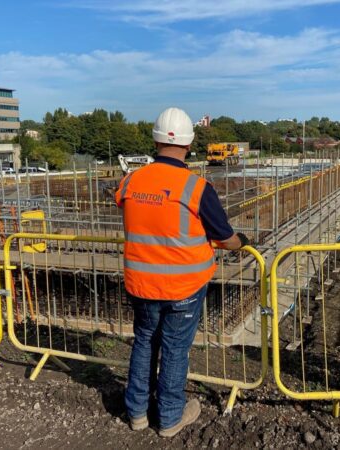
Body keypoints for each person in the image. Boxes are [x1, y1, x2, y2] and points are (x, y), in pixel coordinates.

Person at [115, 107, 248, 437]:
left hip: (142, 283)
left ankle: (137, 413)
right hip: (183, 288)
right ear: (188, 144)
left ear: (155, 140)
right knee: (174, 350)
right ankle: (170, 417)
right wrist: (242, 241)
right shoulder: (196, 187)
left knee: (144, 342)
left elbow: (130, 208)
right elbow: (225, 239)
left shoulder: (131, 180)